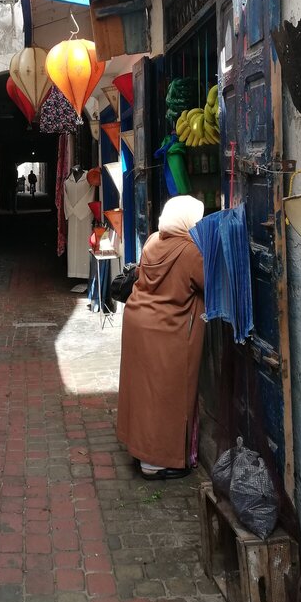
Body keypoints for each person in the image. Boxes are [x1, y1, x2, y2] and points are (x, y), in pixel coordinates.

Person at [116, 195, 206, 480]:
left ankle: (138, 448)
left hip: (137, 321)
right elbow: (209, 282)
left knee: (143, 393)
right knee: (167, 396)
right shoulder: (191, 251)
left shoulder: (153, 240)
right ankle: (155, 462)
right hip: (168, 330)